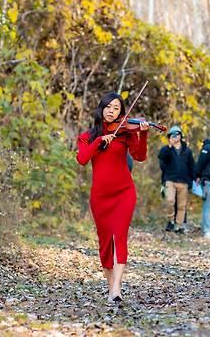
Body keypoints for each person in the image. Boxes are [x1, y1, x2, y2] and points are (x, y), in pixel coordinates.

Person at [76, 92, 149, 303]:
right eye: (109, 107)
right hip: (100, 197)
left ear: (121, 113)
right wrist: (99, 141)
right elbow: (82, 159)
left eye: (117, 108)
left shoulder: (126, 134)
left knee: (120, 236)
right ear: (101, 109)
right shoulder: (87, 137)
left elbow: (140, 156)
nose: (112, 111)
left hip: (124, 192)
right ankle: (111, 289)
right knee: (106, 242)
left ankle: (116, 289)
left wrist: (142, 135)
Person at [158, 125, 195, 234]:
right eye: (172, 135)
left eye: (177, 134)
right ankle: (171, 220)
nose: (175, 137)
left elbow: (192, 166)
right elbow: (162, 161)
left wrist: (193, 179)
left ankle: (179, 226)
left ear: (181, 136)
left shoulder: (187, 151)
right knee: (170, 201)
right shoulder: (166, 149)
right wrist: (170, 146)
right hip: (170, 180)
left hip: (184, 181)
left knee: (182, 205)